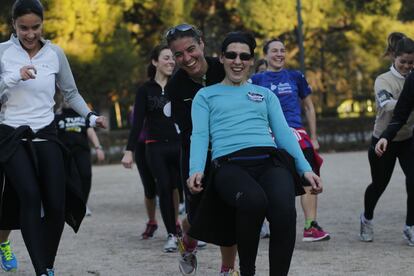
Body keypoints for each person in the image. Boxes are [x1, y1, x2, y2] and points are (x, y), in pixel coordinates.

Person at [187, 31, 322, 276]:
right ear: (222, 58)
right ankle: (246, 271)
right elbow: (199, 136)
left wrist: (306, 169)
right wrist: (195, 169)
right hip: (229, 165)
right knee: (253, 201)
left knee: (284, 211)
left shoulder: (266, 95)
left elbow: (283, 134)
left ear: (251, 60)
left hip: (269, 161)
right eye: (231, 55)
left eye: (244, 56)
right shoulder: (205, 95)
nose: (237, 61)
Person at [0, 1, 106, 275]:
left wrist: (91, 117)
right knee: (30, 196)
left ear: (42, 24)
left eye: (35, 27)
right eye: (24, 28)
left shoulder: (54, 53)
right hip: (12, 135)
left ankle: (47, 263)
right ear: (14, 25)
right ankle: (42, 270)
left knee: (57, 203)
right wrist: (13, 77)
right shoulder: (2, 53)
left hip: (46, 133)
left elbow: (70, 93)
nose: (30, 33)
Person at [165, 23, 238, 275]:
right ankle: (187, 238)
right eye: (178, 54)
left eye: (191, 49)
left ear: (202, 44)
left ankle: (228, 269)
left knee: (229, 213)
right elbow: (191, 131)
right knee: (198, 218)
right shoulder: (175, 87)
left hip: (230, 153)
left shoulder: (224, 68)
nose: (186, 58)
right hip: (197, 156)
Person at [250, 38, 330, 242]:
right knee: (272, 181)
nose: (279, 54)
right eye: (274, 51)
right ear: (265, 55)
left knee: (308, 177)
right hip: (269, 137)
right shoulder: (257, 80)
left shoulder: (295, 76)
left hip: (297, 133)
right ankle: (266, 224)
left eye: (282, 51)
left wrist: (313, 136)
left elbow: (309, 107)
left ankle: (310, 226)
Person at [122, 45, 182, 252]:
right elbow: (137, 123)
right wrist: (129, 150)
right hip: (155, 147)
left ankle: (186, 229)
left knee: (180, 188)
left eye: (173, 58)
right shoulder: (145, 90)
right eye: (166, 58)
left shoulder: (180, 86)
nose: (171, 61)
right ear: (155, 62)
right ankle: (172, 235)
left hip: (179, 145)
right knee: (163, 188)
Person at [371, 34, 414, 246]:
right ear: (394, 58)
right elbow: (387, 105)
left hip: (407, 138)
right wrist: (408, 101)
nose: (407, 66)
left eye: (411, 63)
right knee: (379, 184)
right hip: (383, 139)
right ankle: (366, 217)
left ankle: (410, 226)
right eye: (403, 62)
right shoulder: (383, 80)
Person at [55, 100, 106, 215]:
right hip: (65, 153)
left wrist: (98, 148)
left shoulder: (82, 115)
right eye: (64, 99)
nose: (66, 101)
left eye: (69, 99)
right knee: (68, 179)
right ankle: (68, 205)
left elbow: (90, 131)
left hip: (81, 151)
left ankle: (83, 204)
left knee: (86, 175)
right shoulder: (57, 117)